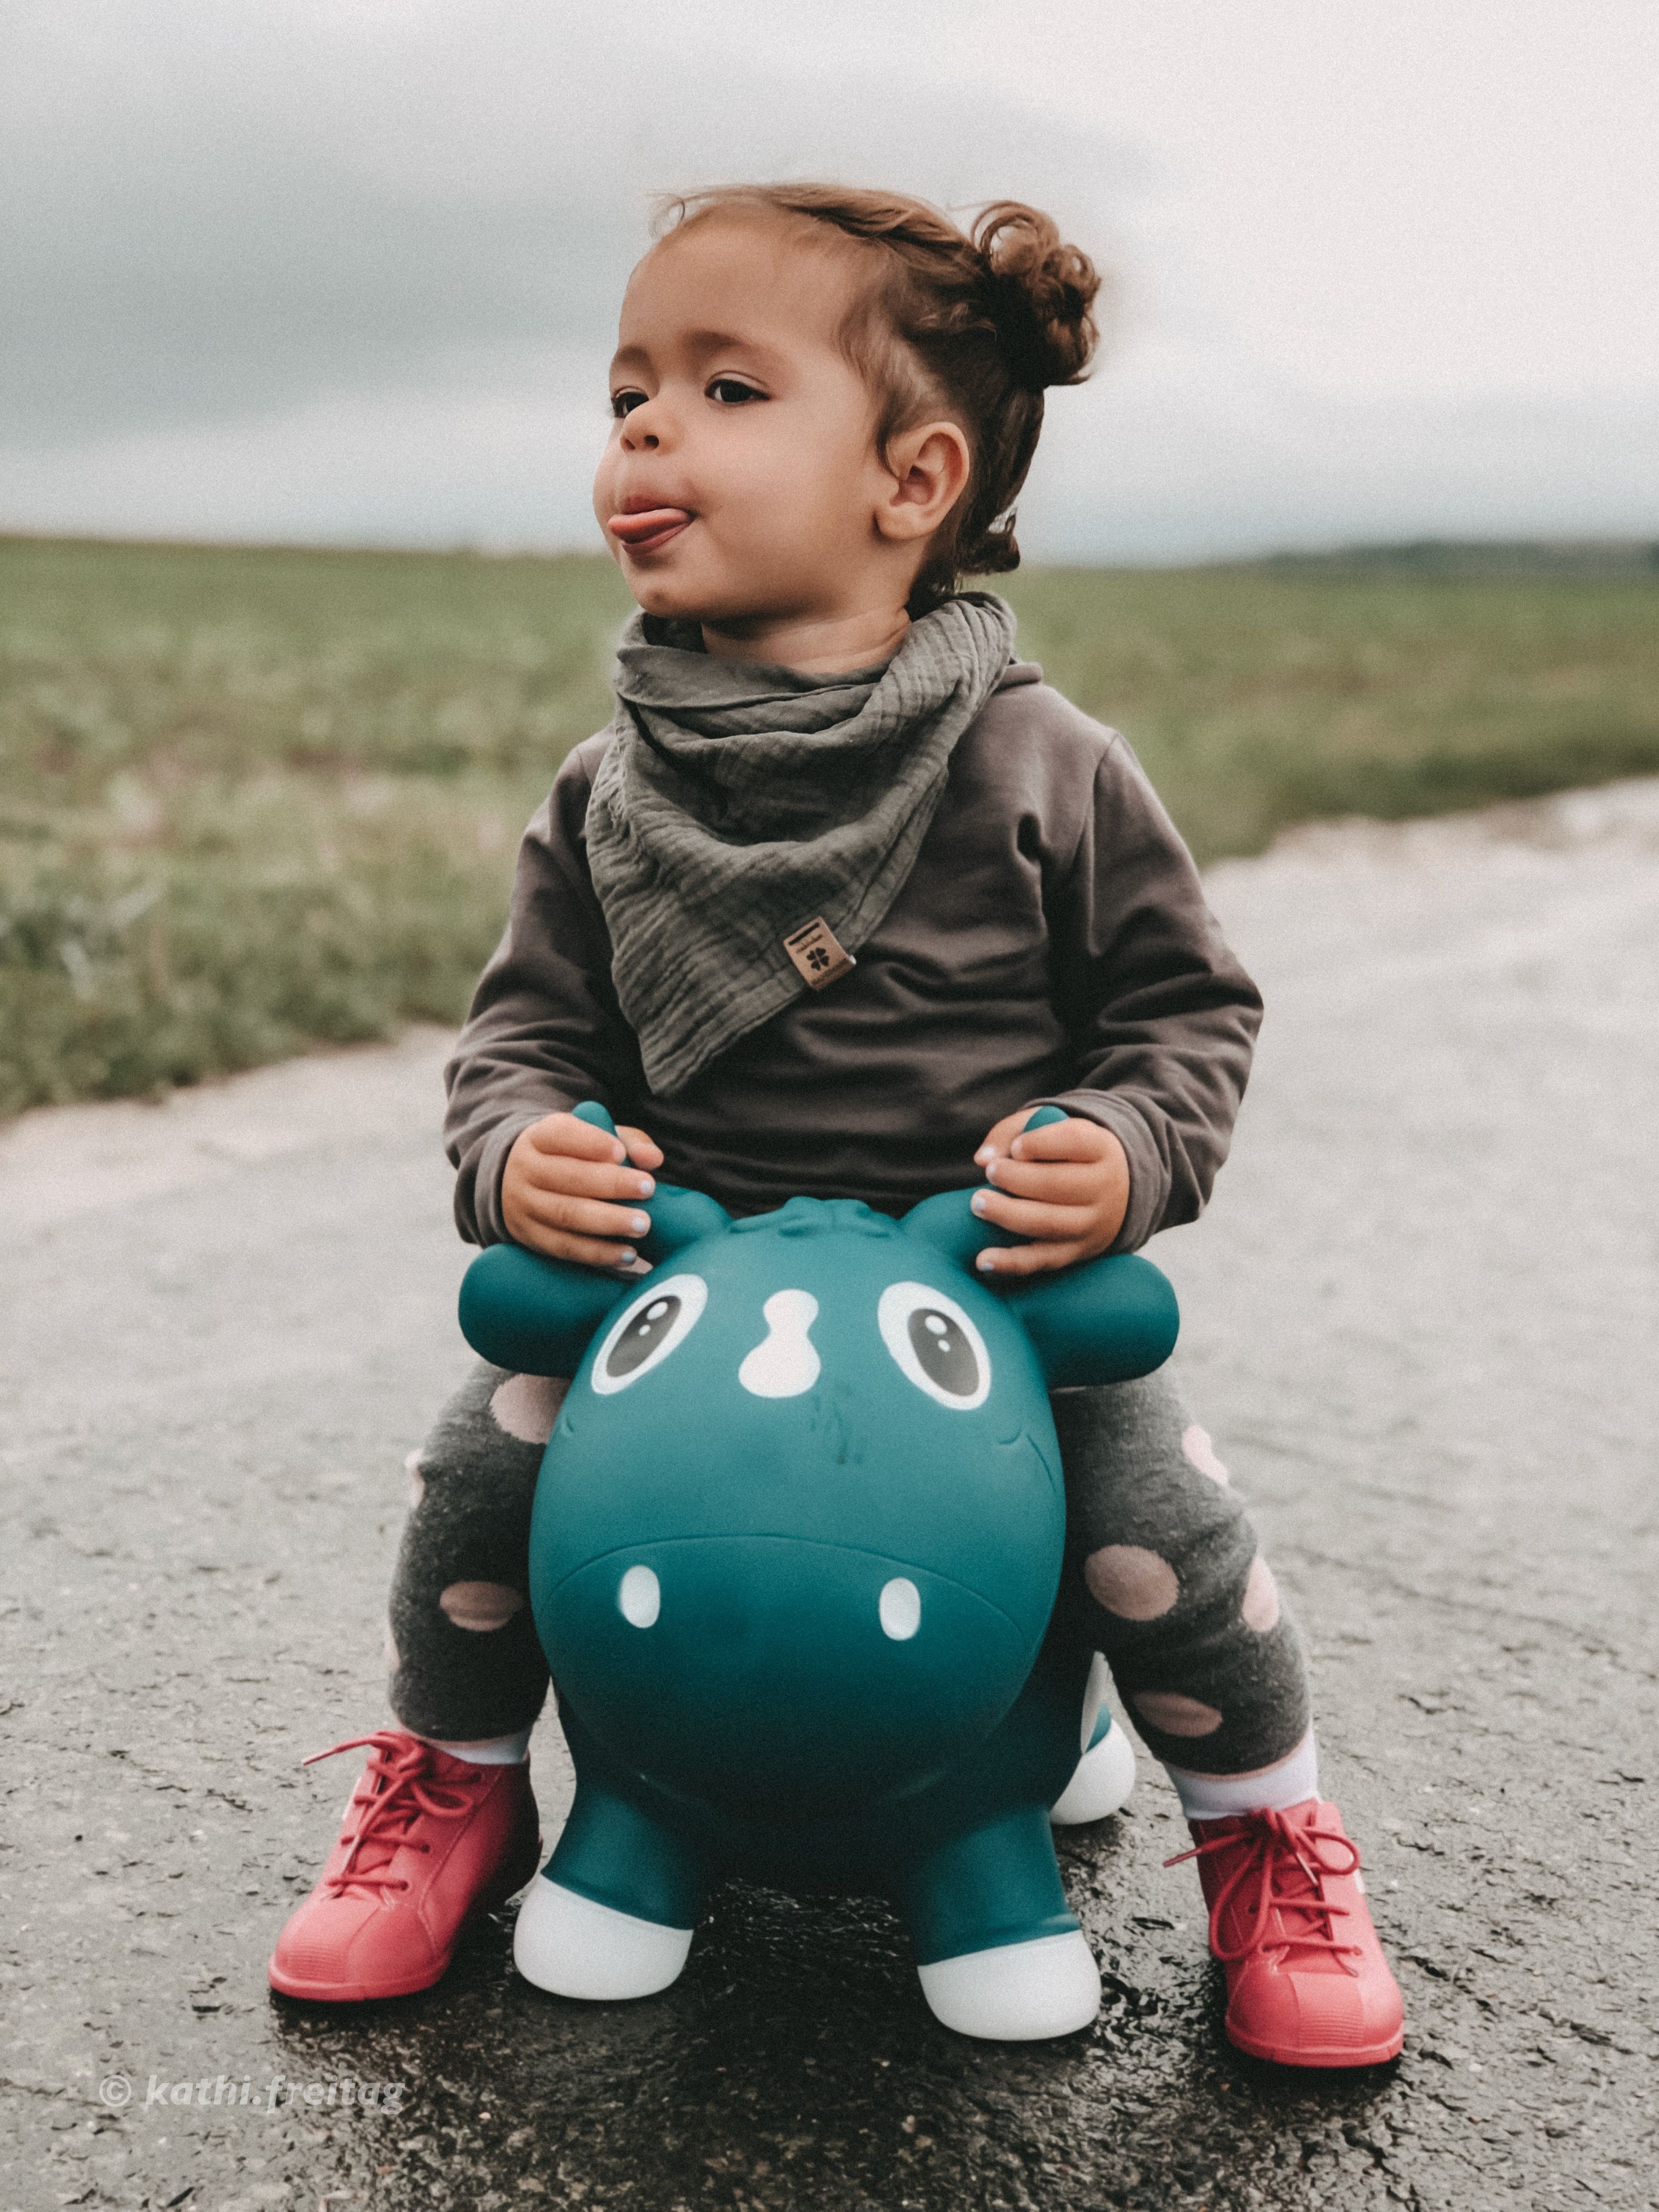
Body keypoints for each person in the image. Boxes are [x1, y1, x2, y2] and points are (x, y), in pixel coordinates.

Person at [269, 184, 1404, 2066]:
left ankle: (1268, 1829)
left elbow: (1188, 1011)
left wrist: (1124, 1148)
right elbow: (522, 1035)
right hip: (678, 1299)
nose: (642, 429)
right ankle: (457, 1787)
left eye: (724, 387)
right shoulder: (608, 792)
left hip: (995, 1305)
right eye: (626, 388)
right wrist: (521, 1147)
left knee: (1160, 1531)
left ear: (910, 479)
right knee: (477, 1478)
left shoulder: (1049, 764)